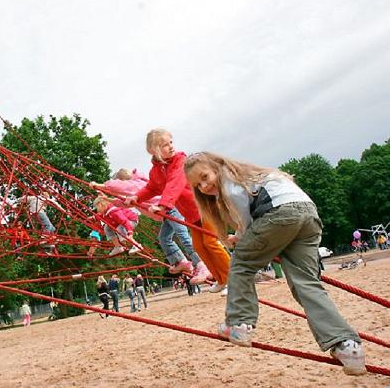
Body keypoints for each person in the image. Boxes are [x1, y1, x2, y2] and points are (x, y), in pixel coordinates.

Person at [184, 151, 366, 375]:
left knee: (241, 262)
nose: (203, 186)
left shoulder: (230, 182)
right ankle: (348, 347)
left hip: (280, 214)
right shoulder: (252, 174)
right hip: (307, 215)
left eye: (204, 177)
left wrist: (241, 239)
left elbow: (245, 220)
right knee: (306, 284)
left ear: (216, 167)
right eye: (197, 185)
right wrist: (244, 236)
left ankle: (239, 324)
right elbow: (253, 221)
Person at [125, 129, 231, 292]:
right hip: (191, 214)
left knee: (211, 243)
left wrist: (163, 205)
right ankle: (221, 279)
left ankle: (232, 279)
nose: (170, 147)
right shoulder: (156, 171)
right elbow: (152, 187)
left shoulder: (181, 162)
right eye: (164, 145)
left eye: (171, 143)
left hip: (205, 208)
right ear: (153, 150)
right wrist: (137, 198)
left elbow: (174, 185)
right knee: (199, 247)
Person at [93, 169, 203, 276]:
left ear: (123, 181)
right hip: (166, 215)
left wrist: (99, 185)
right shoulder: (134, 193)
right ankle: (182, 262)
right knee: (163, 238)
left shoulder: (135, 185)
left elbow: (118, 187)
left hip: (171, 209)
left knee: (182, 235)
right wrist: (108, 199)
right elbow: (123, 203)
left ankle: (200, 262)